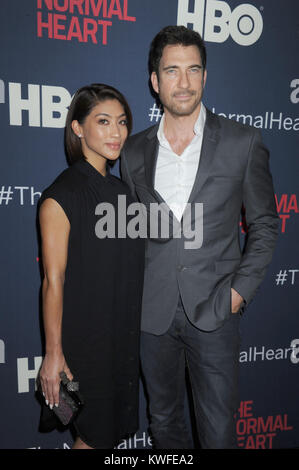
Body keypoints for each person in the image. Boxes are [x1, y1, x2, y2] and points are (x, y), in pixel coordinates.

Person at [121, 26, 279, 449]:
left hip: (214, 311)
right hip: (151, 316)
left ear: (205, 76)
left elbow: (265, 224)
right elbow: (133, 232)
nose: (184, 82)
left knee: (218, 431)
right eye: (172, 71)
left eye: (194, 70)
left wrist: (237, 293)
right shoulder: (133, 152)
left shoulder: (242, 142)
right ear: (155, 81)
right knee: (164, 423)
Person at [38, 84, 144, 449]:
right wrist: (54, 355)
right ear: (78, 128)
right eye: (103, 122)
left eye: (122, 122)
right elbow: (54, 281)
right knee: (93, 434)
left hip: (122, 337)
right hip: (83, 346)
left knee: (108, 436)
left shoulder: (126, 193)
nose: (116, 133)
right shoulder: (61, 195)